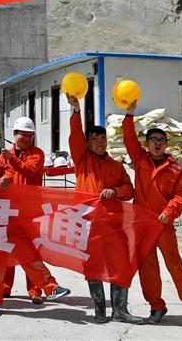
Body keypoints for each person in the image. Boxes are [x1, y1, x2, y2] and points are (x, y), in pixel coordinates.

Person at [0, 101, 68, 317]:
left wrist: (7, 177)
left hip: (11, 213)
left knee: (27, 250)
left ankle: (50, 288)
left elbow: (8, 169)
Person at [123, 102, 182, 329]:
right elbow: (129, 139)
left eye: (161, 140)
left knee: (174, 264)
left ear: (166, 144)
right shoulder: (140, 160)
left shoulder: (175, 168)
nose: (157, 144)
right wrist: (129, 114)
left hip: (163, 224)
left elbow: (180, 195)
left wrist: (169, 212)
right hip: (143, 225)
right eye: (153, 140)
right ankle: (156, 306)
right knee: (147, 267)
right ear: (146, 145)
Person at [66, 95, 142, 324]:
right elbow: (75, 138)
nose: (100, 142)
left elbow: (130, 190)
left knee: (119, 264)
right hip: (89, 224)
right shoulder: (82, 161)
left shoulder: (116, 166)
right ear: (88, 143)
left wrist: (115, 191)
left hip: (113, 223)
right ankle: (100, 310)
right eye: (94, 139)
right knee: (93, 267)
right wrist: (76, 111)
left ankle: (120, 310)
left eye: (103, 138)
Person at [0, 117, 69, 306]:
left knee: (31, 251)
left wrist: (10, 159)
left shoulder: (37, 153)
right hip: (10, 210)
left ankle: (35, 291)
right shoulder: (7, 155)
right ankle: (5, 288)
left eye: (31, 135)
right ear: (15, 135)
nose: (28, 138)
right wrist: (5, 176)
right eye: (24, 135)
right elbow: (6, 172)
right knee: (7, 250)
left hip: (31, 211)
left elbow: (28, 170)